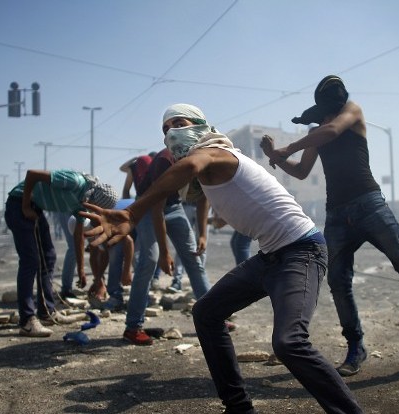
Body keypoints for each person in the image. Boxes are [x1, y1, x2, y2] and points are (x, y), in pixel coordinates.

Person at [81, 103, 362, 413]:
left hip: (302, 251)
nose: (171, 133)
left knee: (290, 342)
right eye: (165, 129)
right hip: (270, 256)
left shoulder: (216, 153)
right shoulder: (206, 171)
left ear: (201, 126)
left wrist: (133, 211)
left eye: (179, 124)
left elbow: (190, 166)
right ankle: (239, 408)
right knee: (206, 313)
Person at [260, 75, 399, 377]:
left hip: (369, 204)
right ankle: (355, 346)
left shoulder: (351, 112)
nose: (328, 115)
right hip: (337, 214)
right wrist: (274, 156)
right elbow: (301, 171)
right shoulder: (315, 131)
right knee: (338, 281)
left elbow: (331, 131)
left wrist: (287, 148)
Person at [4, 169, 118, 337]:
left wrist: (80, 269)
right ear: (95, 199)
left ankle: (47, 312)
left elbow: (78, 236)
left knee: (48, 257)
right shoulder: (75, 181)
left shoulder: (82, 204)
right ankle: (27, 320)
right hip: (19, 203)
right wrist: (26, 206)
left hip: (36, 208)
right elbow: (32, 174)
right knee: (30, 261)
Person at [118, 143, 213, 345]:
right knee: (149, 260)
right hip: (148, 205)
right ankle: (133, 327)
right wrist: (164, 252)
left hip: (175, 206)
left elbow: (203, 197)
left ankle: (214, 317)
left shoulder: (206, 157)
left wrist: (203, 235)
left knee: (194, 258)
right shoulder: (165, 161)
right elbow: (156, 209)